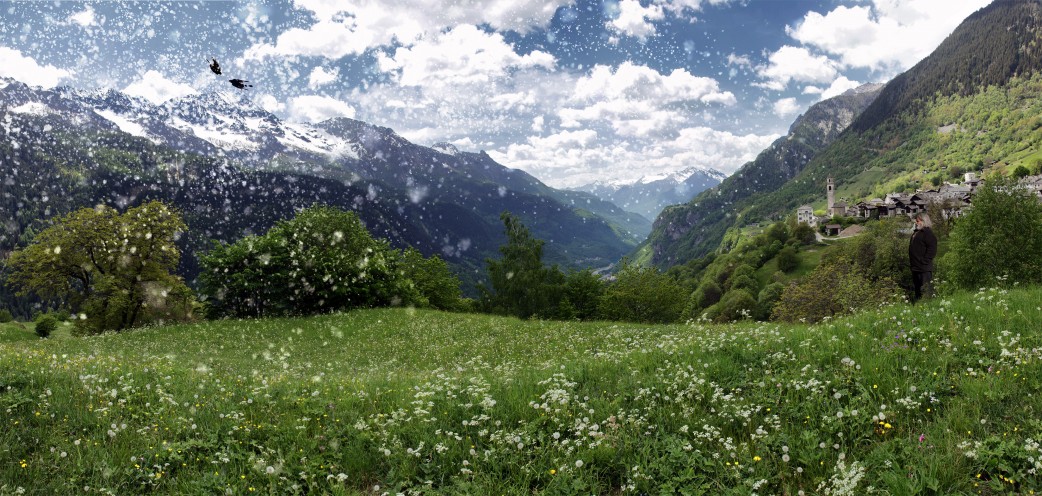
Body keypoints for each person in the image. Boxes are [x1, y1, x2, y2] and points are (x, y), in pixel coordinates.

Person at [908, 212, 938, 301]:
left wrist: (924, 261)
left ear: (924, 221)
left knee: (926, 289)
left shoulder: (927, 233)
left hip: (924, 268)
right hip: (915, 267)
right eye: (916, 221)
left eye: (918, 221)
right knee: (917, 290)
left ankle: (928, 306)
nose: (916, 223)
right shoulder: (916, 233)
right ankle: (919, 306)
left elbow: (932, 249)